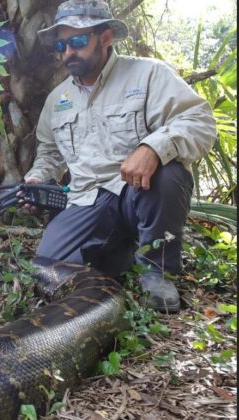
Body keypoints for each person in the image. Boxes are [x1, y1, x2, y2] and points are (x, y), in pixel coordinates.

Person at [26, 0, 216, 313]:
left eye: (77, 42)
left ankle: (157, 271)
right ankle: (122, 255)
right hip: (87, 200)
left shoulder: (148, 74)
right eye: (61, 44)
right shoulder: (57, 99)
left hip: (137, 190)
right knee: (45, 268)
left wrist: (153, 148)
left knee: (169, 175)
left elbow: (199, 119)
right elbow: (48, 152)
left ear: (105, 38)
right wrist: (38, 177)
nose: (67, 53)